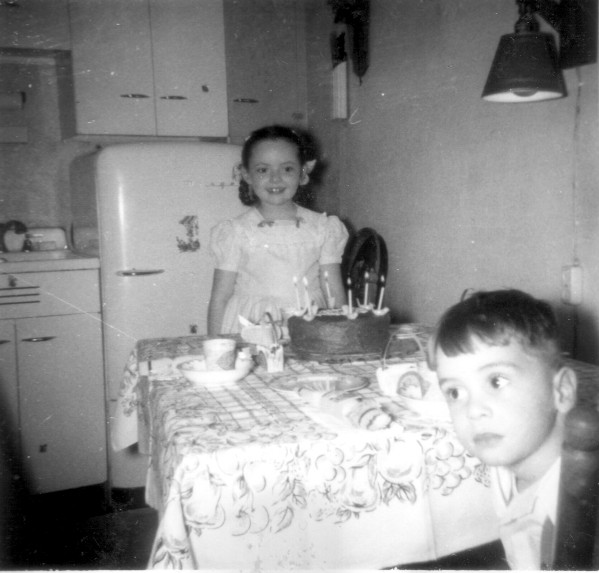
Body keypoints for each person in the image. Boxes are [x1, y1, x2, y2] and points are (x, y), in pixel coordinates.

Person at [430, 289, 577, 570]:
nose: (473, 411)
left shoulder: (576, 504)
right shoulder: (506, 464)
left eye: (496, 381)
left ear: (562, 390)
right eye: (455, 392)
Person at [207, 125, 348, 335]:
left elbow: (333, 291)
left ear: (302, 173)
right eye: (263, 170)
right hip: (250, 325)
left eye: (287, 169)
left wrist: (342, 334)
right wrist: (215, 343)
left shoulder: (323, 228)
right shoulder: (235, 232)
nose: (275, 178)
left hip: (308, 322)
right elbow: (220, 297)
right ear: (246, 174)